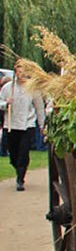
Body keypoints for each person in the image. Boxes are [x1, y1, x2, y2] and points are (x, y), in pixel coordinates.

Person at [0, 63, 46, 191]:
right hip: (10, 124)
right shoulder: (7, 88)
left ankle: (20, 179)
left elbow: (39, 108)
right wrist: (5, 103)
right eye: (19, 72)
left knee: (23, 152)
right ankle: (18, 167)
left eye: (24, 72)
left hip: (27, 124)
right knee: (13, 154)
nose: (21, 75)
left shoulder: (33, 89)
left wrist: (42, 125)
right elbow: (0, 102)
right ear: (16, 73)